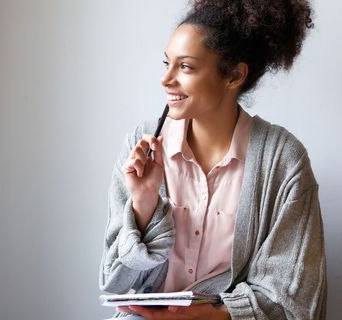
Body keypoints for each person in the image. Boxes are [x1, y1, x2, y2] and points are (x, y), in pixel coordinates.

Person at [99, 0, 326, 319]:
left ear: (234, 76)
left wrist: (205, 315)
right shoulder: (143, 144)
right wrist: (143, 205)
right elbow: (115, 283)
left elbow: (294, 298)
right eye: (167, 64)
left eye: (186, 67)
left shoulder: (283, 161)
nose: (166, 80)